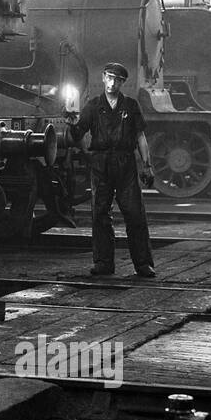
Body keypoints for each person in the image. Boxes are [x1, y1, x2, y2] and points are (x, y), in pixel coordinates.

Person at [69, 61, 156, 277]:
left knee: (135, 214)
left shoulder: (131, 106)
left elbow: (140, 137)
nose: (112, 83)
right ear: (103, 78)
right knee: (100, 214)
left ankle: (143, 264)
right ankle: (103, 264)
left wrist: (147, 165)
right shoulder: (93, 105)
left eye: (117, 80)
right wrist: (72, 124)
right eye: (109, 77)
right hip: (100, 164)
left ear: (122, 83)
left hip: (125, 163)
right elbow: (78, 134)